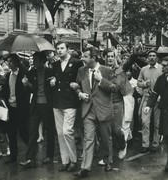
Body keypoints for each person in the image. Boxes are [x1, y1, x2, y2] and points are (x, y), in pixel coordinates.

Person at [71, 47, 117, 178]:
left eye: (85, 56)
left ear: (93, 58)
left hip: (103, 110)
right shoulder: (81, 70)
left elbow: (114, 88)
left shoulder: (107, 70)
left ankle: (108, 160)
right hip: (88, 110)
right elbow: (77, 85)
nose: (82, 59)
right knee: (88, 139)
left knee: (106, 138)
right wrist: (79, 93)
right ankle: (85, 168)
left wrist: (101, 80)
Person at [50, 41, 83, 172]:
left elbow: (81, 78)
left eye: (62, 48)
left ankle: (74, 160)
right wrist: (52, 79)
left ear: (68, 49)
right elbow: (54, 77)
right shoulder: (55, 64)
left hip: (70, 101)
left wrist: (78, 87)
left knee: (67, 131)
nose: (59, 51)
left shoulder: (76, 62)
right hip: (57, 101)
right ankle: (65, 161)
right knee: (59, 133)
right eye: (57, 48)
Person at [19, 52, 55, 168]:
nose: (33, 61)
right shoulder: (31, 72)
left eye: (35, 59)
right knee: (32, 131)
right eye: (33, 59)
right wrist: (25, 84)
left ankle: (49, 155)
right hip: (35, 104)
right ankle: (30, 158)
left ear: (41, 60)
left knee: (50, 131)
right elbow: (31, 90)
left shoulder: (50, 71)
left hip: (48, 105)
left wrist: (54, 79)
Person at [3, 54, 30, 164]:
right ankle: (13, 155)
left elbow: (28, 91)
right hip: (11, 107)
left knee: (23, 131)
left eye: (11, 61)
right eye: (7, 62)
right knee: (11, 132)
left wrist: (25, 85)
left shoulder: (23, 74)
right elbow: (7, 90)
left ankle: (31, 152)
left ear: (16, 63)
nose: (8, 64)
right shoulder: (8, 75)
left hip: (21, 107)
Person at [137, 50, 162, 153]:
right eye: (150, 56)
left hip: (158, 99)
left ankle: (155, 143)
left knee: (157, 123)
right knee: (145, 122)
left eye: (154, 56)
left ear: (157, 58)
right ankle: (145, 144)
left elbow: (165, 83)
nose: (151, 58)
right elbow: (138, 82)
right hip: (147, 98)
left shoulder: (161, 69)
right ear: (147, 58)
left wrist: (162, 95)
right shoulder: (144, 69)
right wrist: (144, 84)